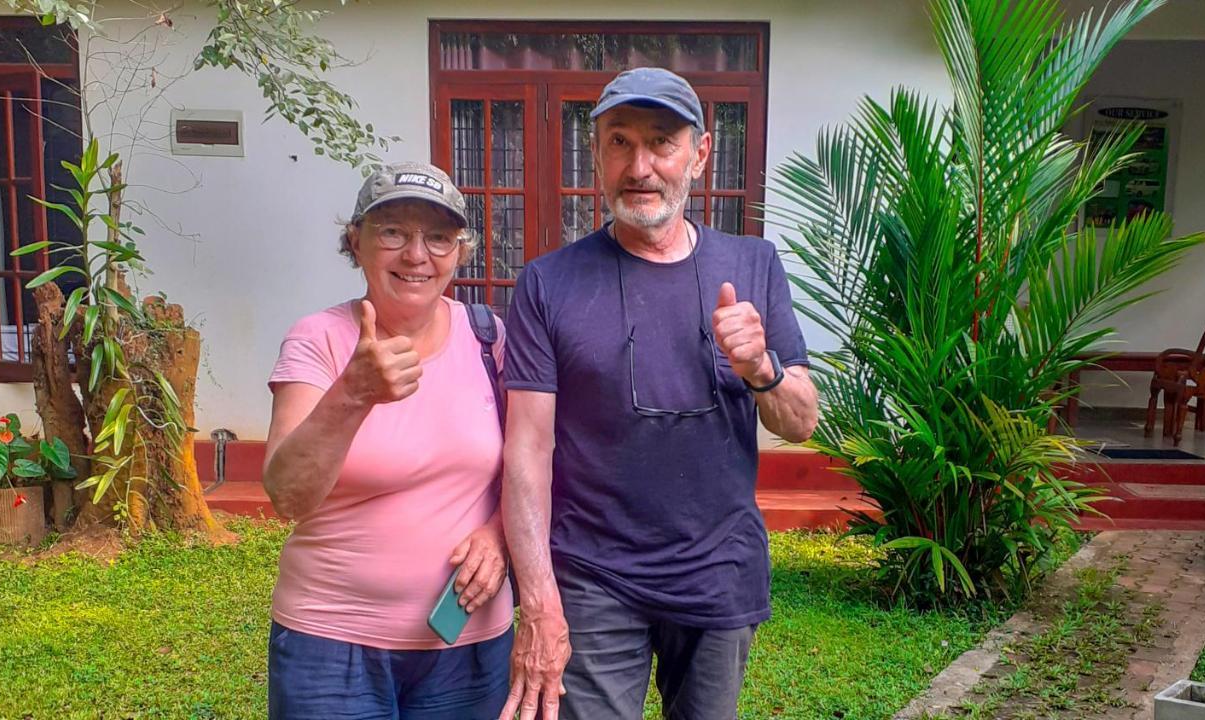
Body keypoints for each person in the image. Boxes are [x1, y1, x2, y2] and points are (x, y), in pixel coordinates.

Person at [497, 68, 820, 720]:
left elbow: (802, 422)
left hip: (718, 573)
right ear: (596, 156)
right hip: (592, 576)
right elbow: (526, 453)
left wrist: (762, 366)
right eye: (619, 142)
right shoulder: (547, 284)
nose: (639, 166)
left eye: (661, 142)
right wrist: (538, 600)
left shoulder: (753, 265)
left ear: (699, 154)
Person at [262, 161, 513, 720]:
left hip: (468, 641)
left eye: (438, 237)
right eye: (393, 231)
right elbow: (288, 497)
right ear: (357, 242)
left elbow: (532, 467)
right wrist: (353, 393)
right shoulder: (319, 339)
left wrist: (499, 537)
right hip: (331, 644)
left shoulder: (490, 338)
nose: (416, 255)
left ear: (460, 251)